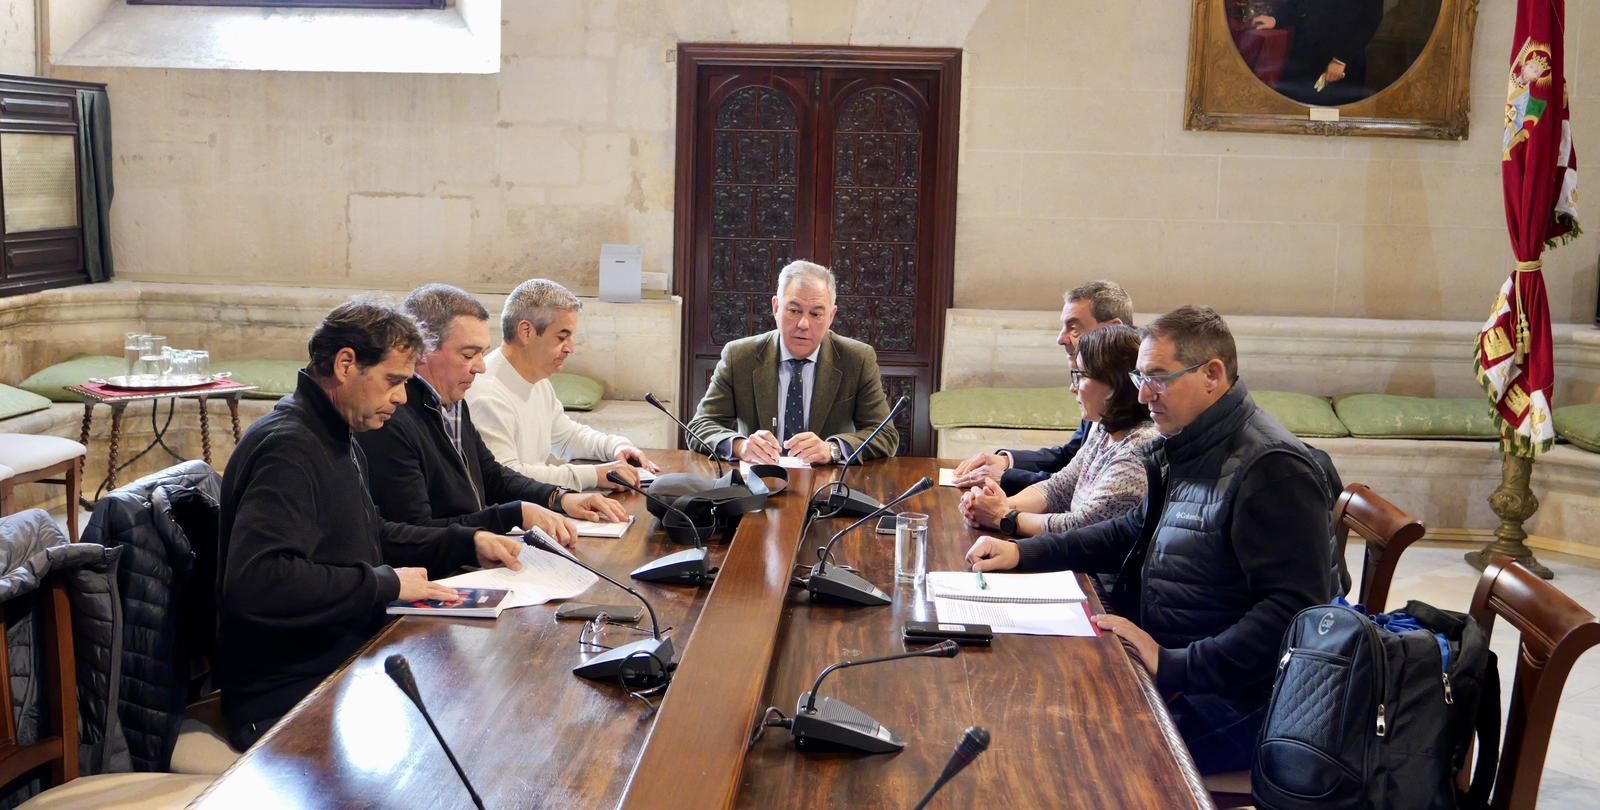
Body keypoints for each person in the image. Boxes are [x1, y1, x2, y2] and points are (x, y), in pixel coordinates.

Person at [964, 305, 1335, 774]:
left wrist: (1171, 662)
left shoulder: (1272, 466)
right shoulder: (1189, 444)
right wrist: (1022, 551)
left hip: (1238, 698)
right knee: (1023, 701)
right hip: (1171, 663)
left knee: (1065, 755)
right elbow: (1128, 530)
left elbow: (1294, 613)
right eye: (1140, 378)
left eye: (1158, 377)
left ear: (1212, 375)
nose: (1143, 397)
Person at [218, 297, 527, 752]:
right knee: (465, 731)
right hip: (288, 693)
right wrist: (384, 584)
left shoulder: (337, 433)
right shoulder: (288, 448)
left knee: (485, 700)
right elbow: (258, 582)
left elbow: (373, 533)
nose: (401, 397)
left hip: (341, 658)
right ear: (346, 364)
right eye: (393, 381)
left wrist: (468, 542)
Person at [356, 284, 628, 545]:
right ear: (423, 350)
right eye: (468, 355)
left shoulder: (452, 398)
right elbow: (416, 533)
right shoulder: (390, 418)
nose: (480, 368)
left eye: (482, 354)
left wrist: (560, 498)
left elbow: (492, 475)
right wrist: (512, 515)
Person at [686, 260, 897, 465]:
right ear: (776, 307)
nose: (803, 324)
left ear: (831, 317)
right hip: (757, 486)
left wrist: (832, 449)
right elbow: (700, 426)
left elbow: (885, 435)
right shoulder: (740, 356)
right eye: (794, 311)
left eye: (816, 314)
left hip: (829, 486)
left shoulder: (857, 359)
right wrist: (740, 447)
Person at [960, 325, 1157, 538]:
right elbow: (1059, 488)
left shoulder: (1138, 451)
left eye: (1081, 376)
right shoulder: (1104, 431)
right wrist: (993, 505)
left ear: (1114, 383)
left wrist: (1003, 517)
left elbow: (1081, 526)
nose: (1073, 387)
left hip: (1089, 570)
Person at [466, 279, 660, 492]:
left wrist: (615, 446)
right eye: (562, 337)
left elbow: (567, 437)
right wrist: (594, 475)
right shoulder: (486, 394)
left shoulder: (538, 381)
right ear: (526, 332)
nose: (571, 348)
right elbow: (508, 476)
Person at [953, 280, 1134, 494]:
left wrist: (1005, 484)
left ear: (1113, 329)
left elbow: (1082, 487)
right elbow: (1070, 457)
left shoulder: (1135, 399)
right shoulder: (1099, 392)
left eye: (1074, 328)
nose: (1060, 339)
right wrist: (1006, 461)